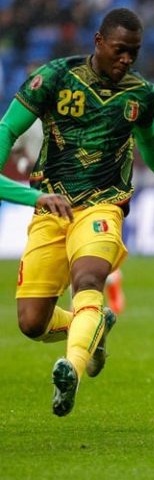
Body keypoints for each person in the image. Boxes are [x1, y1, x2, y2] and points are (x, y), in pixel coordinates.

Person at [0, 8, 154, 416]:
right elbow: (7, 129)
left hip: (104, 204)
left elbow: (152, 141)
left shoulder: (141, 94)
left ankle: (71, 369)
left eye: (134, 52)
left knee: (88, 279)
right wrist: (34, 198)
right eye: (120, 50)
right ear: (98, 41)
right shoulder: (54, 78)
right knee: (32, 323)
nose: (126, 59)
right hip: (51, 206)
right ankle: (94, 324)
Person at [9, 88, 127, 314]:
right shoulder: (27, 117)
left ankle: (83, 314)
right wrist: (24, 164)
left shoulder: (72, 112)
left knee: (79, 249)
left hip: (77, 188)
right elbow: (15, 146)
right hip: (43, 191)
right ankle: (106, 287)